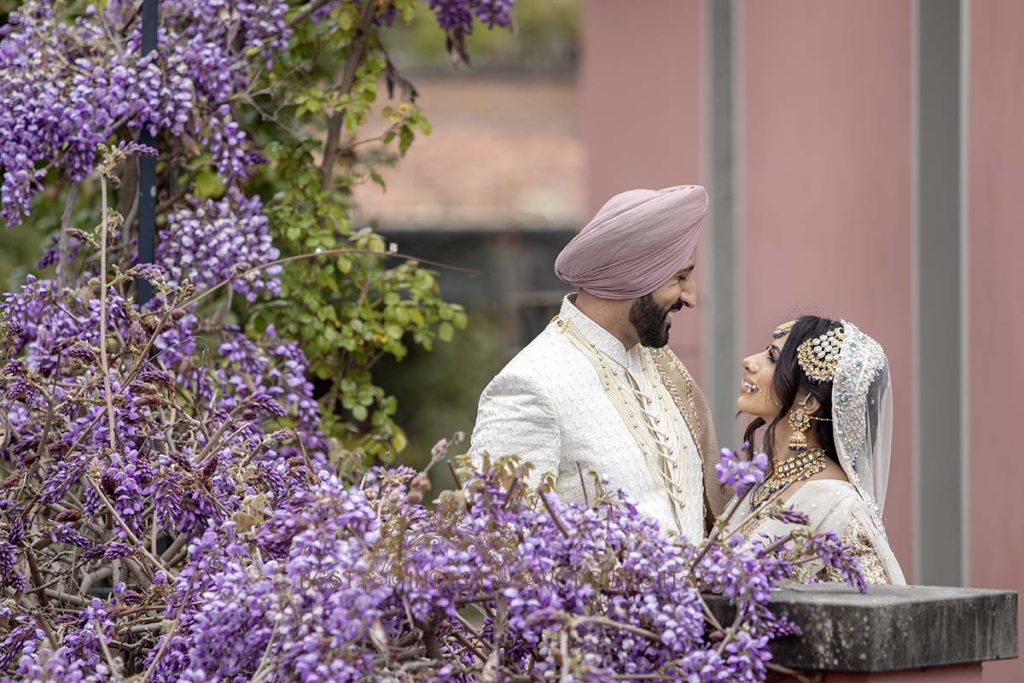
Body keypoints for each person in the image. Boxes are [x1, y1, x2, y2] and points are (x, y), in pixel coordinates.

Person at [469, 185, 727, 541]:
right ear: (633, 275)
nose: (691, 297)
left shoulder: (660, 367)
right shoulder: (530, 386)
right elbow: (499, 546)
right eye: (680, 278)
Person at [729, 315, 906, 584]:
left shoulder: (839, 506)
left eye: (772, 358)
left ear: (809, 401)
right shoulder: (765, 484)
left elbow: (872, 612)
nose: (749, 362)